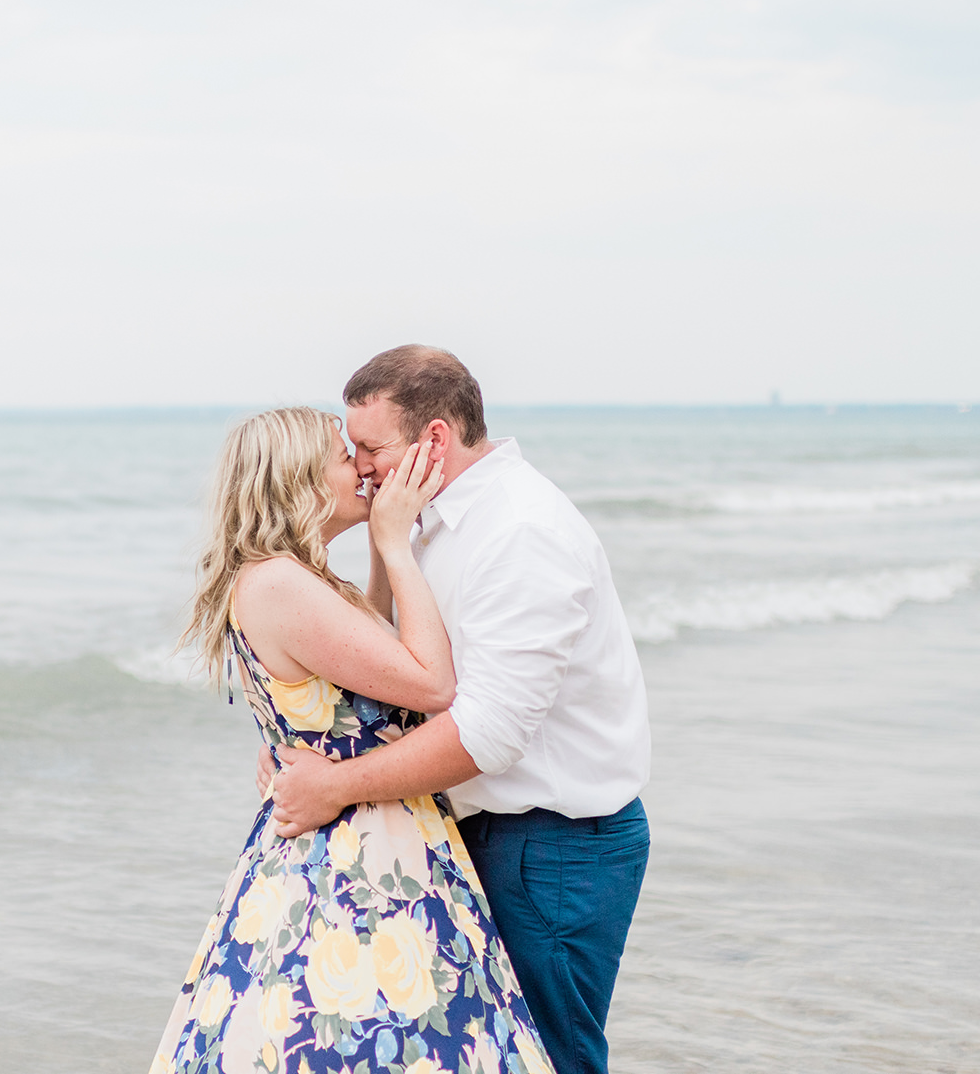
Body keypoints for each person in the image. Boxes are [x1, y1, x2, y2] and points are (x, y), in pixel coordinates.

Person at [262, 346, 652, 1074]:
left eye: (371, 447)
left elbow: (488, 734)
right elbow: (388, 671)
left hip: (553, 847)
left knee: (551, 1057)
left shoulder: (519, 532)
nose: (362, 466)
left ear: (434, 438)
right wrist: (308, 740)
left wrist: (335, 786)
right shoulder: (436, 520)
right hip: (490, 836)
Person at [150, 406, 556, 1074]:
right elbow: (429, 684)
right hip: (353, 858)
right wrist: (397, 543)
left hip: (370, 831)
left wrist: (376, 546)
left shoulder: (297, 579)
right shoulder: (280, 583)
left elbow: (377, 661)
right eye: (344, 457)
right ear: (303, 482)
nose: (362, 469)